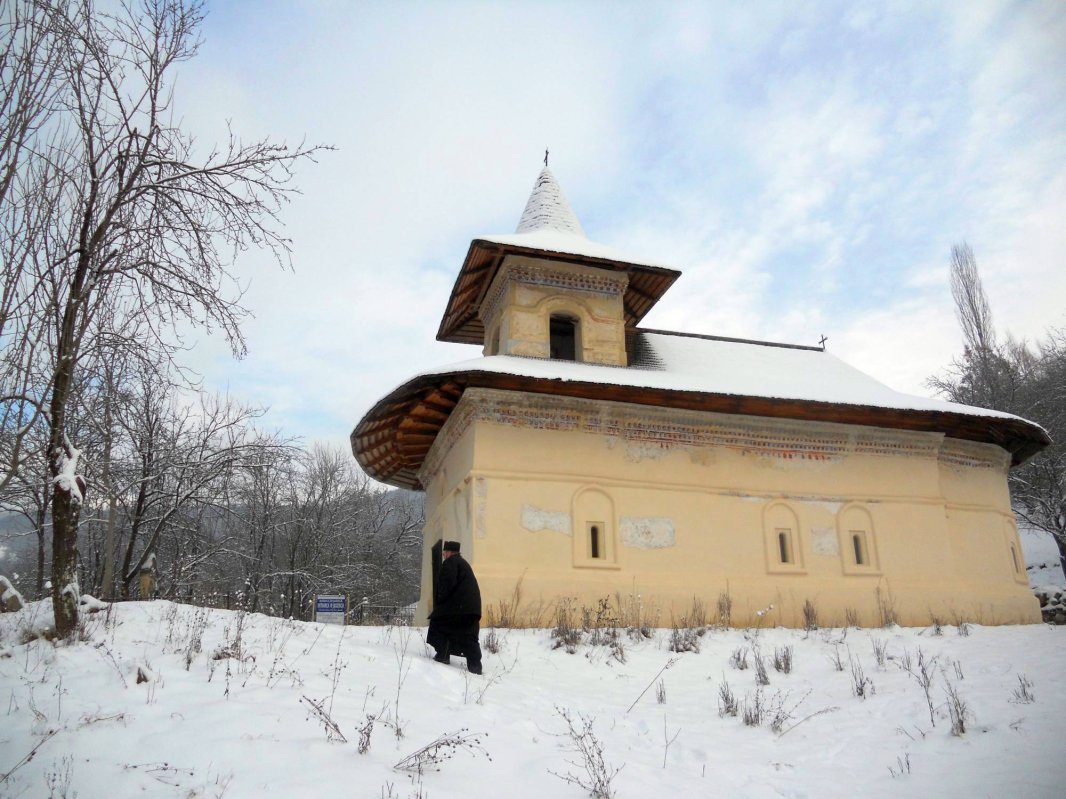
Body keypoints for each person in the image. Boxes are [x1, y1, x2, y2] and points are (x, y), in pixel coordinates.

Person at [427, 540, 482, 674]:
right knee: (468, 635)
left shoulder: (450, 563)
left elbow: (446, 585)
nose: (444, 555)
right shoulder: (463, 563)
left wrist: (440, 601)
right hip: (471, 609)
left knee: (438, 624)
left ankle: (443, 654)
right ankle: (475, 666)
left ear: (450, 552)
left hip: (457, 607)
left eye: (445, 552)